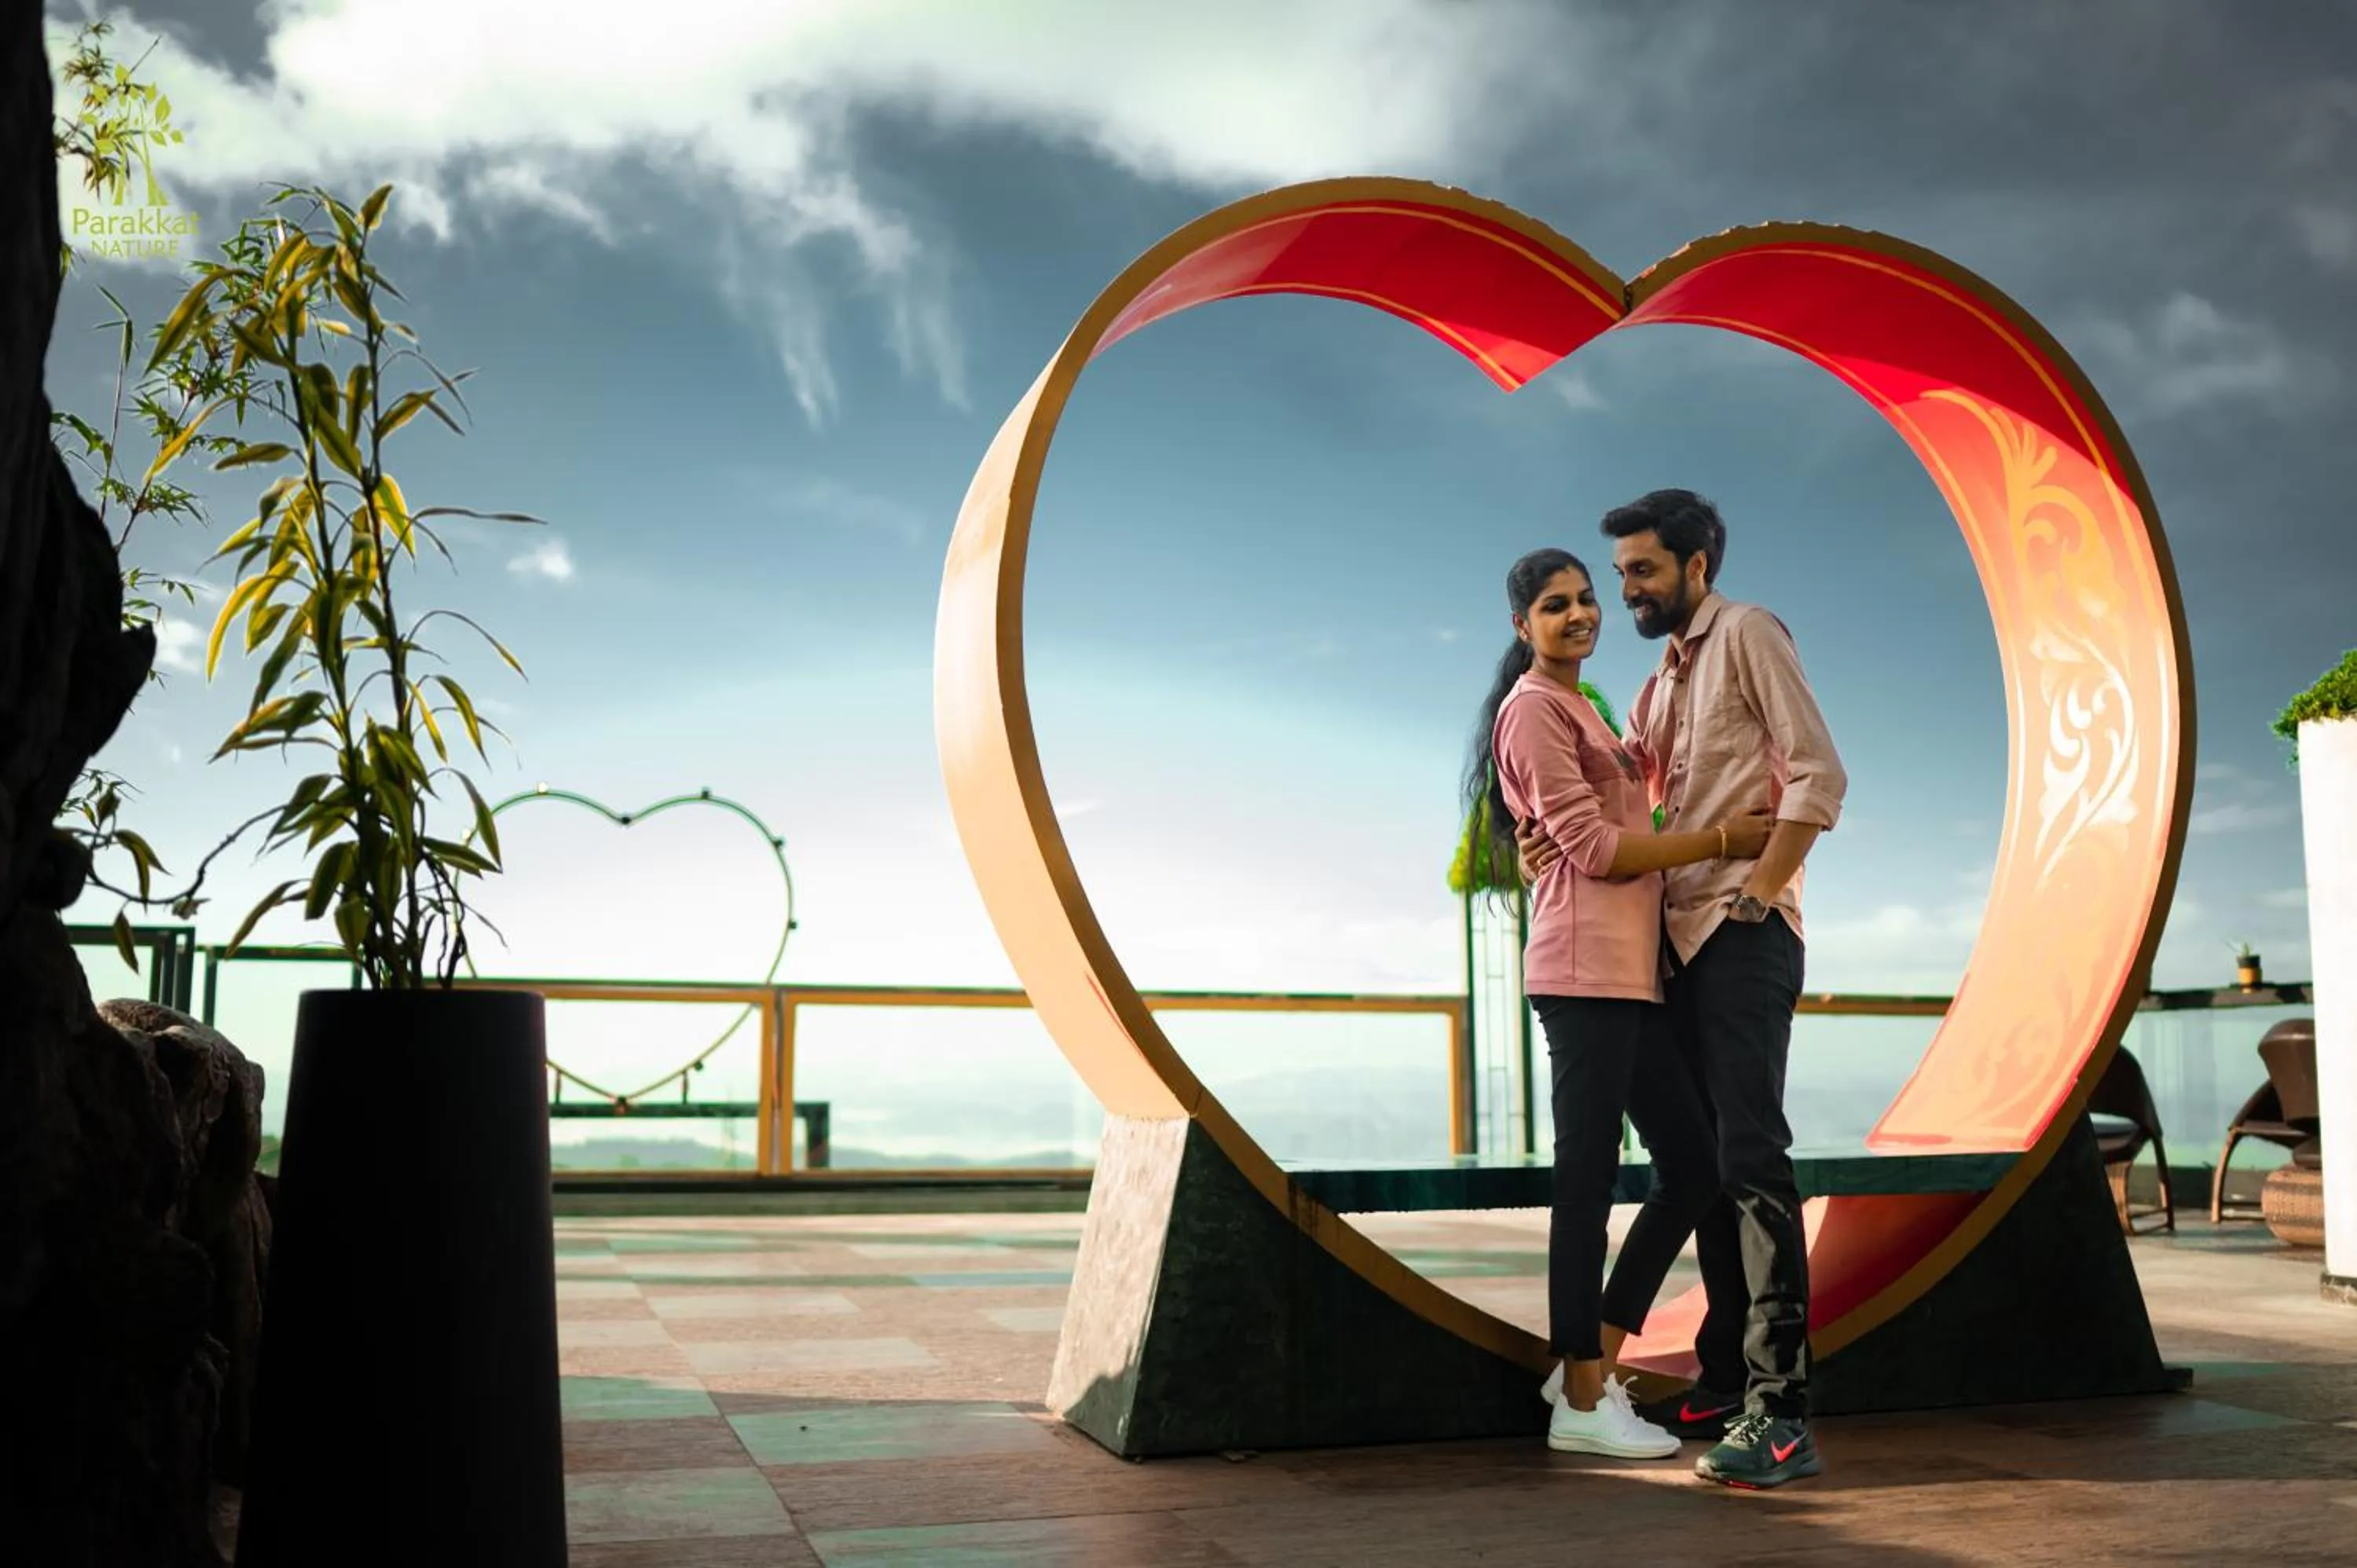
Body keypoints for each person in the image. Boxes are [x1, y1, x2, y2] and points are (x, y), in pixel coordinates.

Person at [1517, 489, 1848, 1490]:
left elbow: (1817, 776)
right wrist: (1540, 838)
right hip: (1672, 949)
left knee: (1750, 1158)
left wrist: (1756, 893)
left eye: (1640, 571)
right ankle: (1720, 1376)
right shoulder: (1656, 687)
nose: (1623, 593)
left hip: (1739, 935)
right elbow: (1621, 808)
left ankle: (1781, 1411)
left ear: (1697, 564)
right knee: (1702, 1168)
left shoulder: (1747, 633)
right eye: (1614, 576)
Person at [1468, 545, 1774, 1459]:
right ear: (1523, 625)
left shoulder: (1585, 708)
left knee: (1694, 1167)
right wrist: (1725, 837)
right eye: (1556, 605)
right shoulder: (1531, 711)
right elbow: (1599, 851)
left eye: (1587, 599)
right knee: (1586, 1186)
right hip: (1579, 976)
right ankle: (1582, 1406)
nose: (1581, 614)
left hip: (1629, 978)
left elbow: (1597, 824)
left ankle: (1589, 1360)